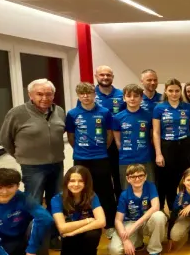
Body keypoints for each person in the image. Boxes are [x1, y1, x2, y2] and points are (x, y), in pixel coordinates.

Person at [0, 78, 65, 250]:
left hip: (57, 163)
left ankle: (52, 236)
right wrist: (22, 156)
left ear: (53, 95)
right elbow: (5, 139)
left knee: (55, 202)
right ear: (30, 95)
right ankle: (32, 240)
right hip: (32, 167)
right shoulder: (17, 113)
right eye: (40, 94)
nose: (45, 98)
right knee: (33, 203)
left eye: (48, 94)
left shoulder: (59, 111)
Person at [66, 82, 116, 239]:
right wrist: (81, 151)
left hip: (101, 158)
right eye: (82, 94)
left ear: (95, 95)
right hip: (81, 159)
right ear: (79, 96)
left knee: (105, 192)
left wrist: (101, 149)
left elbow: (109, 135)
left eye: (88, 93)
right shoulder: (72, 114)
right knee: (81, 191)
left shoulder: (105, 112)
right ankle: (84, 222)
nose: (86, 97)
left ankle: (109, 225)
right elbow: (71, 137)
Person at [49, 166, 105, 255]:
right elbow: (62, 227)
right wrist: (88, 220)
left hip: (83, 234)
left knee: (93, 234)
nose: (76, 184)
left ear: (86, 183)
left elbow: (101, 221)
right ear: (66, 182)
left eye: (80, 181)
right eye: (72, 181)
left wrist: (74, 230)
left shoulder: (92, 196)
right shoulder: (57, 199)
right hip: (70, 240)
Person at [152, 78, 190, 213]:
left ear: (180, 91)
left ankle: (189, 209)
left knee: (187, 178)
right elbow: (156, 132)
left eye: (177, 90)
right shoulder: (159, 108)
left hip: (185, 145)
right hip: (167, 146)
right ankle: (173, 211)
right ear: (166, 91)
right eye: (171, 91)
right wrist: (158, 153)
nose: (174, 93)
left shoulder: (188, 107)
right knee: (168, 181)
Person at [109, 164, 168, 255]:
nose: (137, 179)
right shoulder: (124, 195)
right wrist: (125, 240)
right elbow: (118, 220)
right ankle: (138, 243)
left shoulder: (150, 186)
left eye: (140, 175)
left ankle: (154, 249)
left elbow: (155, 207)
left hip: (146, 221)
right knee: (115, 250)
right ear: (128, 179)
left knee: (159, 216)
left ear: (145, 177)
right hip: (130, 223)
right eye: (133, 176)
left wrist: (135, 226)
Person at [92, 65, 125, 201]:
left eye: (108, 75)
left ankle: (120, 207)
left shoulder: (121, 95)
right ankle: (103, 209)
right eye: (102, 75)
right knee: (100, 178)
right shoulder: (90, 95)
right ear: (96, 76)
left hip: (117, 142)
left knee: (118, 177)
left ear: (112, 77)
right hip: (97, 143)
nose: (105, 77)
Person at [113, 84, 154, 190]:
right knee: (127, 190)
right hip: (125, 159)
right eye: (129, 96)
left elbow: (151, 136)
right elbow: (118, 141)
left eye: (136, 96)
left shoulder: (148, 116)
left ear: (141, 98)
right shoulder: (117, 117)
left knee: (148, 189)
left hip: (145, 158)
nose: (132, 98)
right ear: (124, 98)